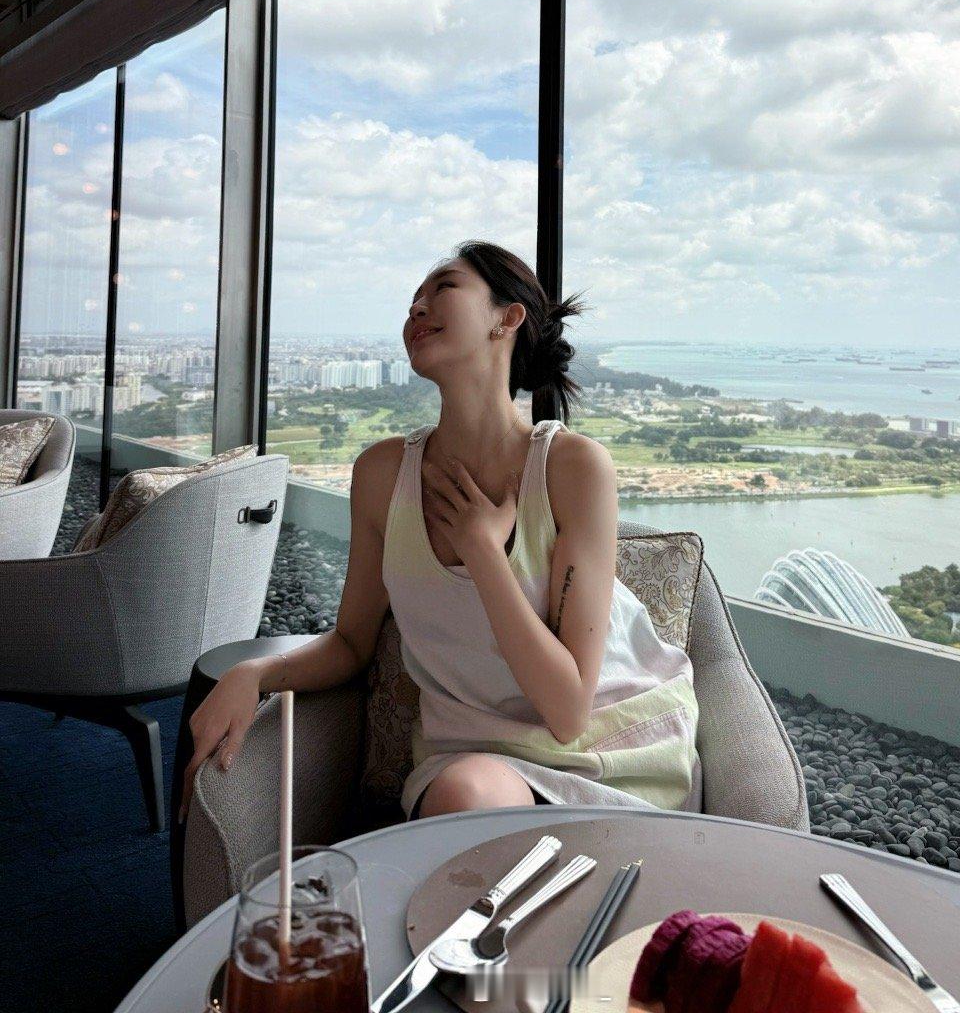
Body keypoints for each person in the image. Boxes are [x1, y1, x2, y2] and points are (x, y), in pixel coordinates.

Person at [179, 240, 701, 823]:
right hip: (472, 759)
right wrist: (252, 674)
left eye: (443, 288)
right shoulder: (381, 474)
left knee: (466, 806)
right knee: (463, 797)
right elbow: (351, 643)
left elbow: (568, 711)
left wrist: (483, 552)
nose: (416, 309)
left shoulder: (572, 468)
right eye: (413, 300)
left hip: (610, 747)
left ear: (508, 318)